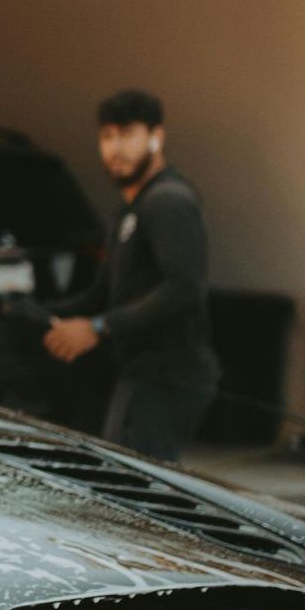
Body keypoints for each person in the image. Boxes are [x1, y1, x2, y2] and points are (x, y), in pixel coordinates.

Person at [42, 88, 218, 463]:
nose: (115, 148)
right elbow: (102, 294)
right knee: (132, 485)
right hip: (138, 372)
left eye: (127, 134)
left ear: (157, 136)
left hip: (168, 375)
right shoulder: (128, 212)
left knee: (141, 493)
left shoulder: (167, 201)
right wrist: (35, 311)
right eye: (107, 136)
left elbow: (184, 288)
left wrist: (98, 328)